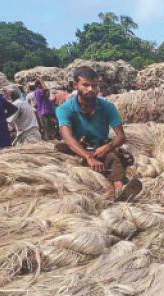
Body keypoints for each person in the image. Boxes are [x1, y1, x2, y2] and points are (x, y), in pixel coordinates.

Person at [56, 66, 141, 201]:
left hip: (100, 147)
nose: (91, 89)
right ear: (75, 85)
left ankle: (120, 188)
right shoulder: (65, 109)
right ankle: (117, 185)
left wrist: (106, 147)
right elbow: (68, 137)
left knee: (113, 157)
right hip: (78, 148)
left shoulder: (107, 107)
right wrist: (87, 156)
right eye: (86, 85)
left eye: (94, 86)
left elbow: (121, 136)